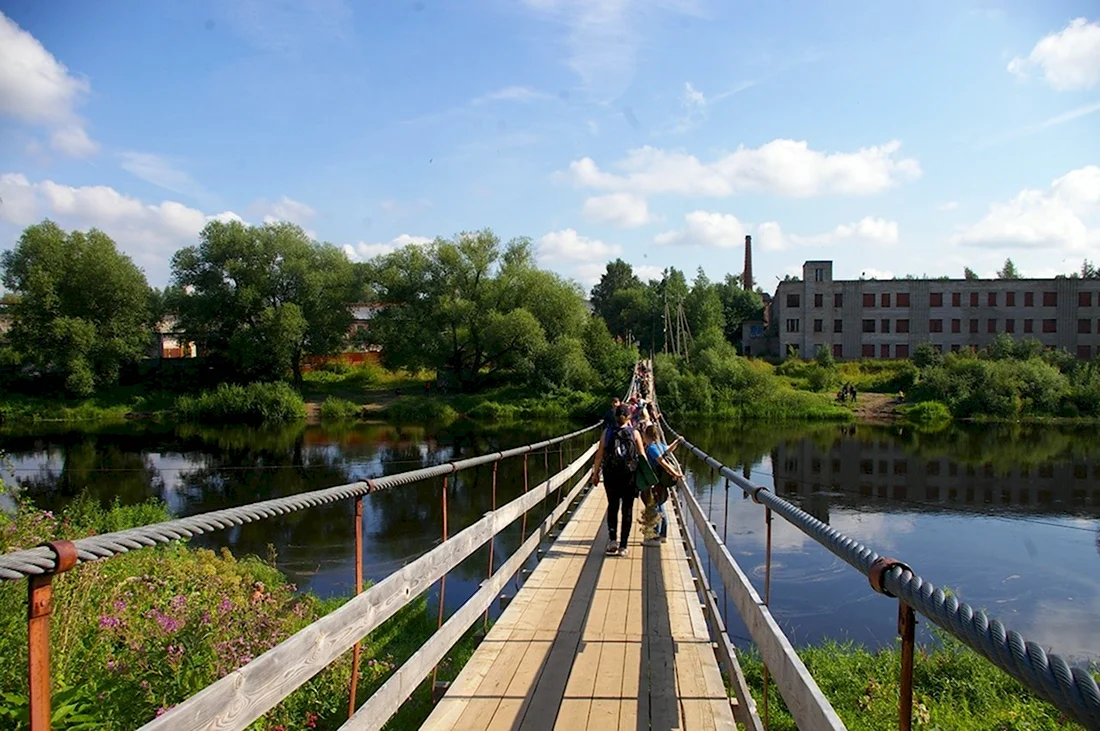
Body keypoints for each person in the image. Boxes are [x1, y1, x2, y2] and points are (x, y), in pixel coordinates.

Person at [591, 404, 647, 556]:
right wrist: (647, 479)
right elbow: (642, 457)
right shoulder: (635, 433)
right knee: (627, 509)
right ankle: (623, 546)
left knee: (613, 506)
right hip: (629, 476)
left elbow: (599, 455)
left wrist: (595, 474)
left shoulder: (607, 432)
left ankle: (612, 541)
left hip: (611, 475)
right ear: (629, 417)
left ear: (615, 417)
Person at [641, 425, 682, 546]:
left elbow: (662, 461)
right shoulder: (659, 445)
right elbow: (668, 450)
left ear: (646, 436)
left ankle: (655, 538)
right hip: (661, 483)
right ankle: (663, 535)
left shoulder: (652, 448)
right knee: (661, 506)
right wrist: (677, 441)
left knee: (655, 508)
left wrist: (675, 473)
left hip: (656, 482)